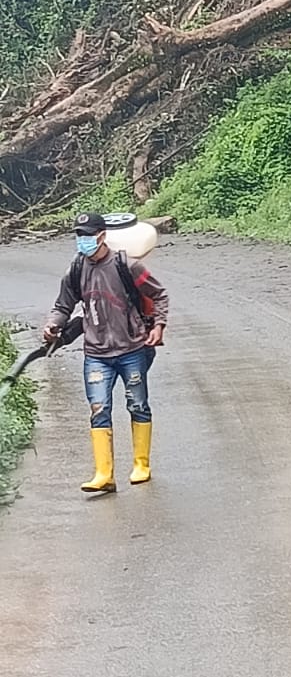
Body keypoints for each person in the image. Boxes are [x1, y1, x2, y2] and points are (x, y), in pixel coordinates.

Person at [44, 210, 168, 495]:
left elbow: (159, 294)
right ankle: (104, 474)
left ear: (101, 236)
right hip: (96, 353)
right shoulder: (76, 269)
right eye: (78, 235)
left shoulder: (127, 265)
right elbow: (63, 306)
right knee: (98, 409)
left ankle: (141, 465)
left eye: (87, 235)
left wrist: (159, 325)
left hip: (132, 348)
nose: (82, 240)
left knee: (137, 404)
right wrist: (52, 324)